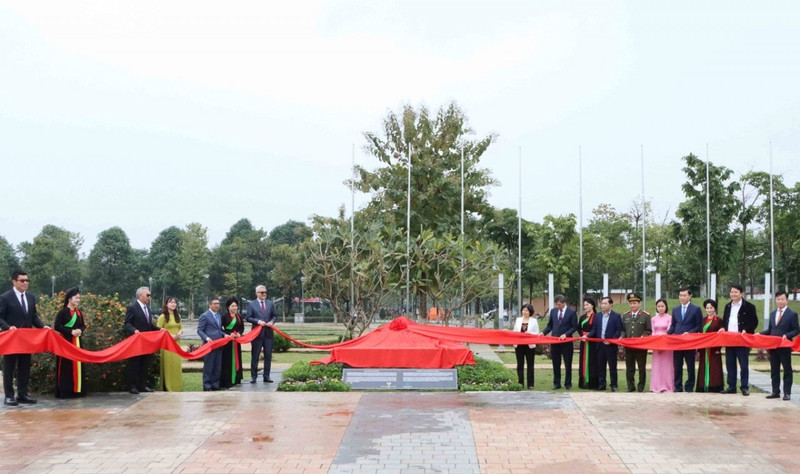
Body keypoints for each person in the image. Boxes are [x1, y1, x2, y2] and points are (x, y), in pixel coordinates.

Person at [0, 270, 49, 406]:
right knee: (9, 367)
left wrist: (42, 326)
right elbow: (0, 317)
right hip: (12, 338)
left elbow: (33, 316)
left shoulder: (30, 297)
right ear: (14, 281)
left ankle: (23, 394)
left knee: (25, 366)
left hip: (26, 339)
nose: (25, 283)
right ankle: (9, 396)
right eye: (22, 280)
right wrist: (8, 327)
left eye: (27, 280)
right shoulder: (5, 298)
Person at [758, 291, 799, 400]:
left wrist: (787, 335)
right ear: (776, 300)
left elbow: (796, 329)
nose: (780, 301)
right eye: (778, 299)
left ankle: (787, 393)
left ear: (787, 300)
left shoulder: (792, 314)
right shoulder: (773, 314)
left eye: (782, 299)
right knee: (774, 370)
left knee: (787, 370)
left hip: (785, 346)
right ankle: (775, 391)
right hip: (773, 347)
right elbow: (770, 330)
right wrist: (760, 334)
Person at [719, 284, 758, 396]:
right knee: (730, 364)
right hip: (729, 340)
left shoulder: (749, 306)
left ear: (741, 294)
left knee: (743, 365)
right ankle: (731, 387)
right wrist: (722, 327)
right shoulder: (728, 306)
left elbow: (754, 322)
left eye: (736, 292)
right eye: (732, 292)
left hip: (742, 340)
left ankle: (744, 387)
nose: (733, 294)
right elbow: (725, 321)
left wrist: (746, 329)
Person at [124, 287, 162, 394]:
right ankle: (132, 386)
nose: (149, 297)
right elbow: (127, 323)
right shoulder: (132, 307)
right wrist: (134, 330)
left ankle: (142, 385)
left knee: (145, 363)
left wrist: (160, 329)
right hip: (136, 341)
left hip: (146, 342)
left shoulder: (147, 309)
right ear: (140, 296)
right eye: (147, 295)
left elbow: (149, 325)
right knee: (135, 363)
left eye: (150, 295)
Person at [667, 287, 702, 392]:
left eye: (684, 295)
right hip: (677, 342)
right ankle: (678, 386)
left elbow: (698, 326)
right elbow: (673, 325)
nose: (682, 297)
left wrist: (690, 332)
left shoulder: (696, 309)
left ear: (690, 296)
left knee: (690, 366)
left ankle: (689, 386)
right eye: (680, 295)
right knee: (677, 365)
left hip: (689, 342)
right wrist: (667, 333)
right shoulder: (676, 309)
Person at [54, 287, 86, 398]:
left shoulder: (78, 312)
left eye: (79, 298)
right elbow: (57, 326)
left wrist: (79, 330)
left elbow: (83, 325)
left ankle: (78, 390)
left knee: (78, 364)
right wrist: (70, 331)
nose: (78, 300)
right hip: (65, 342)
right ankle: (65, 391)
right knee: (66, 366)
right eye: (76, 298)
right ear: (69, 299)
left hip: (77, 341)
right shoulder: (62, 312)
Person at [584, 296, 622, 392]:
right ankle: (602, 384)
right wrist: (587, 336)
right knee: (601, 366)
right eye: (602, 303)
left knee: (612, 366)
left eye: (605, 303)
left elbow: (618, 331)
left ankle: (614, 385)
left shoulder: (616, 316)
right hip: (600, 344)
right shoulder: (598, 316)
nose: (603, 305)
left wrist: (612, 340)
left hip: (611, 345)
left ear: (611, 304)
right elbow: (594, 329)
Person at [542, 294, 578, 390]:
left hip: (566, 342)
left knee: (568, 363)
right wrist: (543, 332)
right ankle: (557, 383)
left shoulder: (572, 312)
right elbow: (550, 325)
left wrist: (566, 334)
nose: (557, 306)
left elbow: (574, 327)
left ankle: (568, 383)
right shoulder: (553, 311)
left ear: (564, 303)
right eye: (556, 304)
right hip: (555, 342)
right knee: (556, 363)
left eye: (559, 304)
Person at [621, 292, 652, 392]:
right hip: (629, 346)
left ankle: (641, 387)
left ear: (639, 304)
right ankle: (630, 386)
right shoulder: (625, 316)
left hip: (640, 347)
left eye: (634, 303)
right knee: (629, 367)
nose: (632, 305)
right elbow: (623, 330)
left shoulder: (645, 316)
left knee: (641, 368)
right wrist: (622, 336)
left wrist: (643, 336)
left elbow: (649, 330)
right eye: (631, 303)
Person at [246, 285, 278, 383]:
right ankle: (253, 376)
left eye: (265, 292)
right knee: (255, 355)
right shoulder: (252, 304)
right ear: (256, 293)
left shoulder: (270, 304)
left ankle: (266, 376)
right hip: (257, 334)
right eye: (262, 292)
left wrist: (271, 322)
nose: (264, 294)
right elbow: (248, 317)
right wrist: (258, 321)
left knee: (268, 355)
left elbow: (275, 316)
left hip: (268, 334)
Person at [197, 297, 228, 391]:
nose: (217, 305)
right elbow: (200, 330)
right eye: (215, 303)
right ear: (210, 304)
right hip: (209, 346)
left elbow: (219, 330)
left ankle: (215, 385)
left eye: (218, 303)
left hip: (218, 345)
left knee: (217, 366)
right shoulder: (204, 316)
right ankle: (207, 386)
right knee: (209, 366)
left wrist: (225, 335)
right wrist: (206, 338)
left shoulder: (218, 316)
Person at [156, 297, 183, 392]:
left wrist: (179, 333)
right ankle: (168, 386)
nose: (173, 304)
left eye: (175, 302)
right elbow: (158, 330)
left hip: (176, 343)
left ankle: (177, 386)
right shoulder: (162, 316)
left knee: (176, 364)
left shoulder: (178, 316)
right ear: (166, 304)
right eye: (171, 302)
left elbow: (180, 327)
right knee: (168, 365)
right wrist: (171, 336)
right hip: (167, 344)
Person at [696, 299, 724, 393]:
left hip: (714, 349)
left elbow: (721, 334)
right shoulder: (703, 320)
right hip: (704, 349)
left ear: (714, 308)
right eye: (707, 308)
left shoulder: (718, 320)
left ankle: (714, 387)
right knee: (703, 367)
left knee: (715, 368)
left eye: (711, 308)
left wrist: (718, 347)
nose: (709, 310)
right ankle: (703, 386)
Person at [650, 299, 674, 393]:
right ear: (656, 307)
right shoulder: (653, 319)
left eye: (662, 306)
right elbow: (652, 332)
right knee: (657, 366)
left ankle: (667, 386)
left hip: (666, 345)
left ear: (666, 307)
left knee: (667, 366)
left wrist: (663, 342)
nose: (660, 308)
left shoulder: (670, 318)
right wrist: (656, 344)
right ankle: (656, 386)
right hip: (656, 345)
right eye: (659, 306)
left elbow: (669, 331)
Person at [512, 303, 539, 389]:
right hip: (519, 345)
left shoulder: (534, 321)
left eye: (526, 310)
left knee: (530, 364)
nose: (525, 312)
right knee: (520, 364)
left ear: (530, 312)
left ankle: (530, 384)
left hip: (529, 345)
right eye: (523, 310)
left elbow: (537, 333)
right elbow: (515, 331)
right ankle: (520, 383)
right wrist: (507, 332)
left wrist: (530, 333)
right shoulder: (518, 320)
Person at [220, 297, 245, 389]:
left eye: (235, 306)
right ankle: (227, 381)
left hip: (236, 342)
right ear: (228, 307)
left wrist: (239, 333)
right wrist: (228, 334)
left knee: (237, 359)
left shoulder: (239, 317)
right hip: (227, 342)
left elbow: (242, 328)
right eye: (232, 306)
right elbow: (220, 328)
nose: (234, 308)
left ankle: (237, 379)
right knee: (227, 360)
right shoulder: (224, 317)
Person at [578, 296, 599, 390]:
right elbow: (579, 328)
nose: (585, 307)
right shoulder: (582, 317)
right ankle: (583, 382)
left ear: (592, 305)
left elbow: (596, 329)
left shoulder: (597, 316)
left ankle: (592, 383)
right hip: (584, 342)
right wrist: (582, 335)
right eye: (584, 305)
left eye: (587, 305)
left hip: (593, 343)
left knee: (593, 362)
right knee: (583, 360)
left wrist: (588, 336)